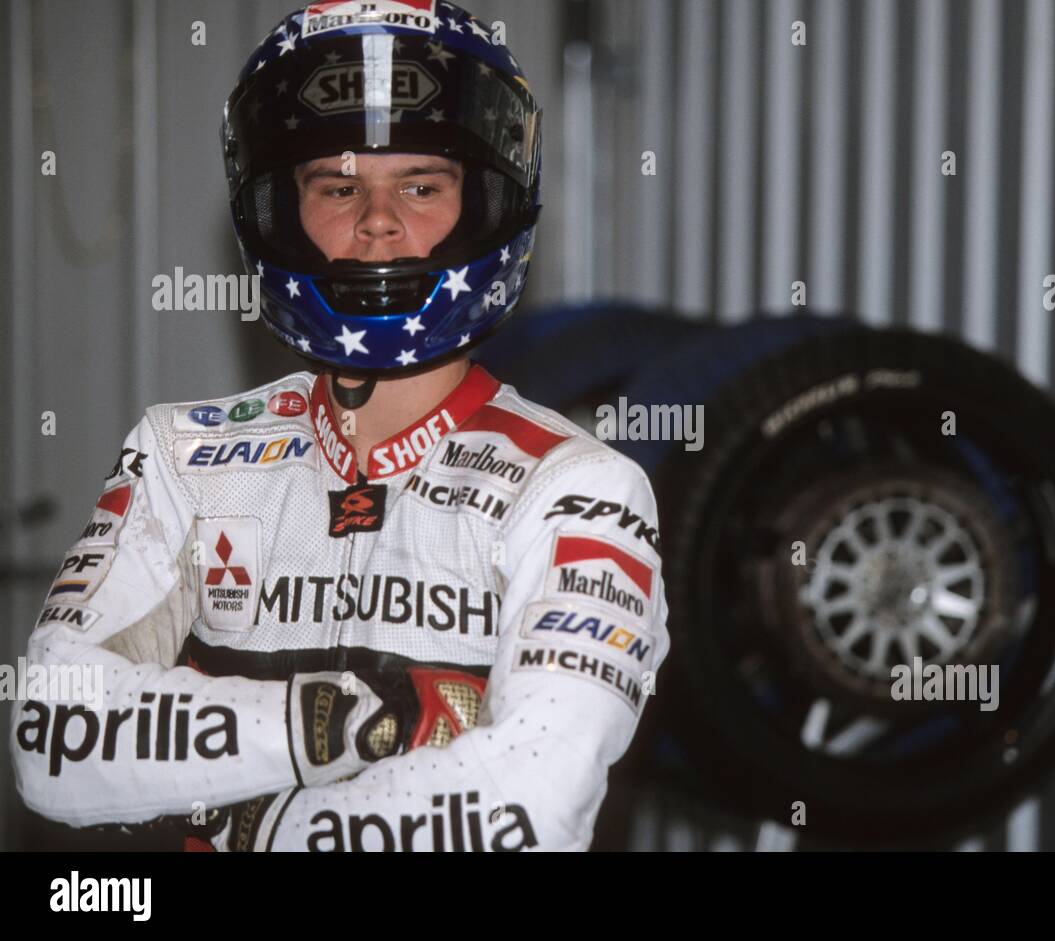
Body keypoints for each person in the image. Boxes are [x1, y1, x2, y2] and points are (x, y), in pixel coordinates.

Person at [10, 0, 668, 852]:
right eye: (338, 185)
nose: (378, 221)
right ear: (282, 211)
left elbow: (533, 804)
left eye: (422, 185)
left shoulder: (578, 485)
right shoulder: (184, 455)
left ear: (487, 205)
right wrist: (368, 720)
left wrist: (260, 823)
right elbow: (53, 736)